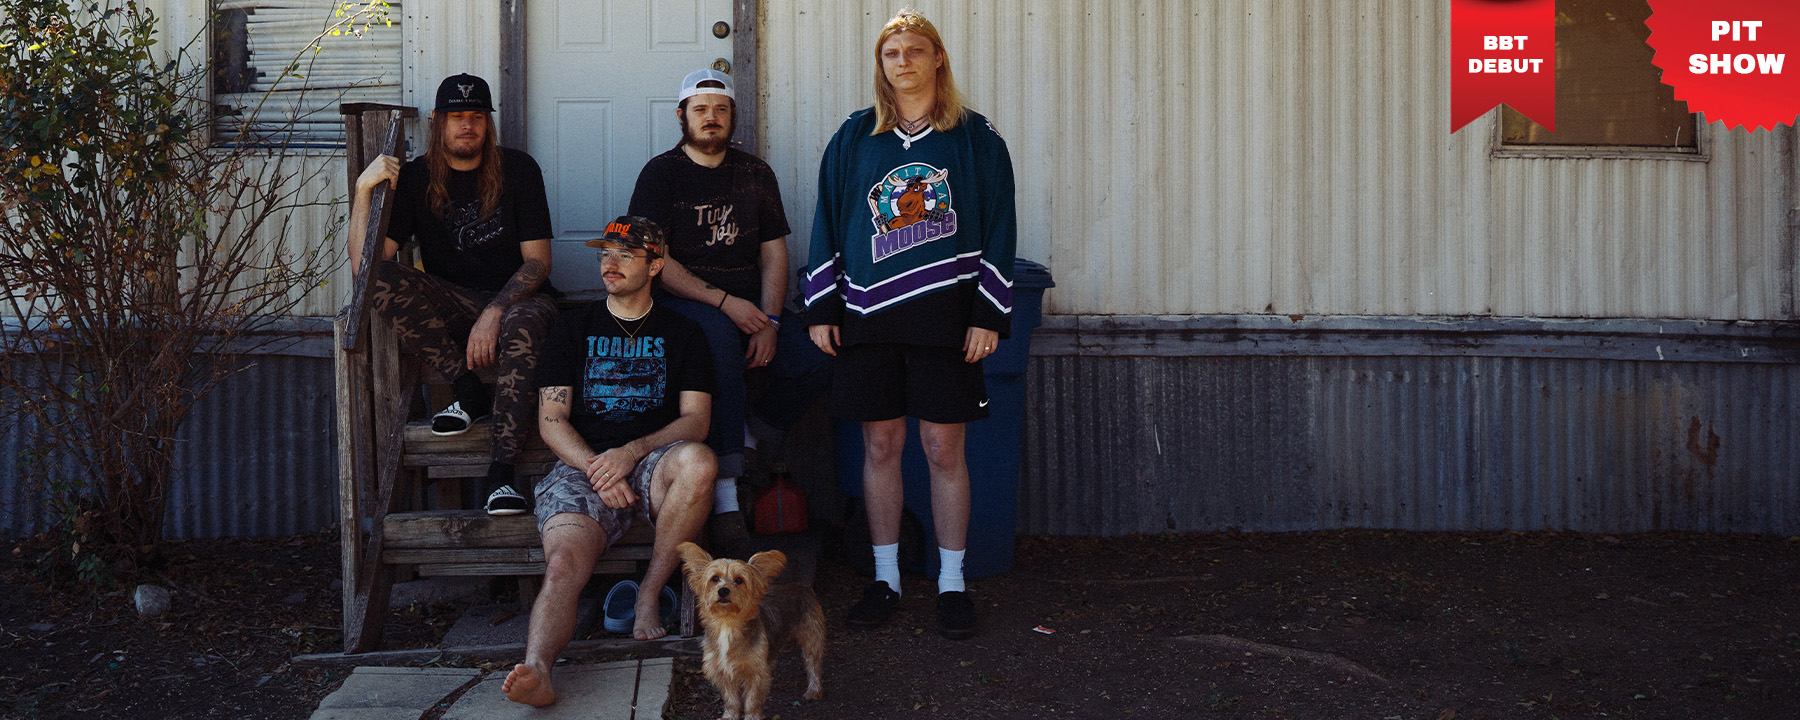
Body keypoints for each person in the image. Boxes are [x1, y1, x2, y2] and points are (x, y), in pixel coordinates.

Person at [802, 9, 1017, 640]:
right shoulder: (854, 136)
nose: (903, 61)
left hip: (946, 319)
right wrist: (822, 307)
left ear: (938, 58)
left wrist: (988, 314)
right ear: (881, 63)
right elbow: (827, 219)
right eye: (892, 53)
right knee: (880, 447)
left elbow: (1000, 225)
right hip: (868, 316)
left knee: (944, 449)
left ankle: (951, 581)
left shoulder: (976, 138)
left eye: (915, 50)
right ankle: (886, 578)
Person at [501, 216, 717, 707]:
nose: (609, 263)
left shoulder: (684, 333)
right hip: (583, 467)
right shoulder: (572, 328)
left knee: (700, 463)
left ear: (655, 265)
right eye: (604, 254)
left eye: (624, 254)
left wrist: (632, 452)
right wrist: (598, 468)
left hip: (654, 462)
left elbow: (696, 421)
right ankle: (539, 670)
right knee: (562, 563)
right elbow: (551, 420)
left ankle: (648, 593)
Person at [628, 69, 830, 557]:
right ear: (682, 116)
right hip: (685, 303)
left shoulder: (755, 173)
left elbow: (774, 255)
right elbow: (656, 260)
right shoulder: (661, 173)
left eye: (720, 109)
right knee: (718, 341)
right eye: (700, 109)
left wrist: (771, 322)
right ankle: (724, 500)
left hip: (751, 304)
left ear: (733, 116)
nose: (711, 117)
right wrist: (726, 304)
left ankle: (754, 429)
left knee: (816, 358)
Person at [348, 73, 558, 516]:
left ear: (488, 123)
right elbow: (365, 267)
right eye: (457, 116)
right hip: (454, 301)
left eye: (477, 116)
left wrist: (496, 310)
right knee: (380, 279)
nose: (468, 125)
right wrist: (364, 190)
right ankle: (466, 386)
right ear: (437, 121)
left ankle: (501, 475)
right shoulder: (417, 176)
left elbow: (538, 263)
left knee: (522, 325)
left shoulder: (519, 169)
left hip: (520, 300)